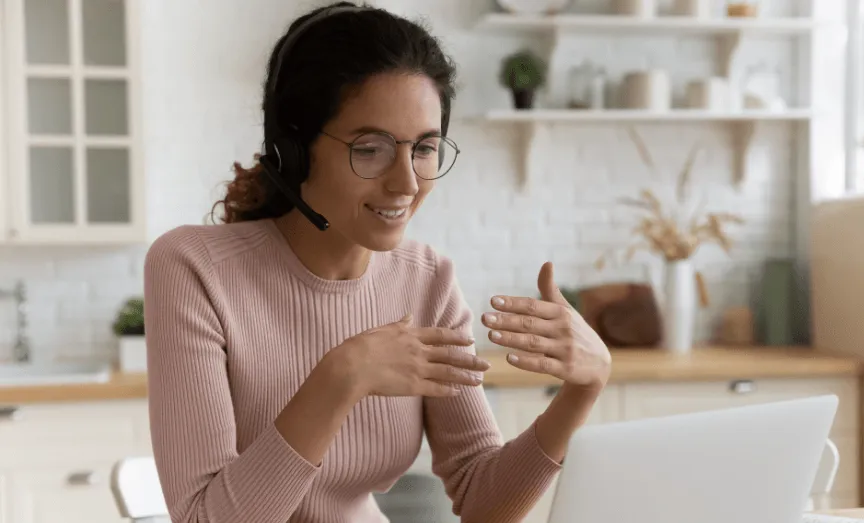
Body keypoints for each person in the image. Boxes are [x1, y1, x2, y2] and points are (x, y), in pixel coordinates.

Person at [142, 2, 613, 522]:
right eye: (370, 149)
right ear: (295, 150)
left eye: (425, 148)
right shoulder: (194, 269)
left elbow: (484, 500)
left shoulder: (427, 280)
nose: (407, 183)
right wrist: (341, 376)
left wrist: (581, 392)